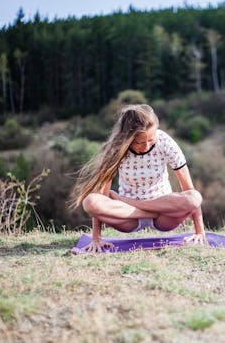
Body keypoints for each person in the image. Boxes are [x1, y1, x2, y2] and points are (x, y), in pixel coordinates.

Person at [70, 104, 206, 252]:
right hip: (128, 216)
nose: (147, 146)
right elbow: (101, 198)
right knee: (90, 202)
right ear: (128, 138)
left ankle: (132, 203)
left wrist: (200, 232)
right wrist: (96, 239)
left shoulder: (166, 142)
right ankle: (139, 207)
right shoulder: (116, 148)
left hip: (164, 215)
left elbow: (189, 190)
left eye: (151, 140)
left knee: (194, 197)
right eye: (140, 142)